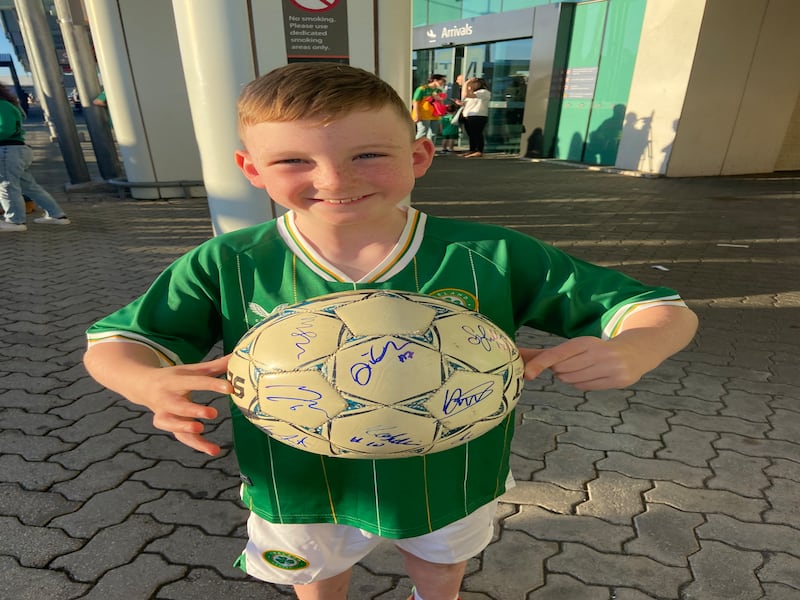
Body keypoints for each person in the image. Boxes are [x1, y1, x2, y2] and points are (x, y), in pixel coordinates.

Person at [83, 62, 698, 600]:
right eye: (294, 160)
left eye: (367, 155)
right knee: (316, 575)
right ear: (252, 170)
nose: (334, 180)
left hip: (453, 471)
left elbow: (662, 309)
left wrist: (637, 347)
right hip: (298, 481)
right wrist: (145, 382)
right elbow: (115, 344)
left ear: (419, 157)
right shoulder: (228, 262)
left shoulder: (490, 254)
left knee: (442, 562)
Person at [0, 83, 71, 232]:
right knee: (30, 186)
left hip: (7, 150)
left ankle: (15, 221)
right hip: (17, 150)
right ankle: (56, 215)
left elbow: (5, 129)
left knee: (7, 186)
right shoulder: (8, 104)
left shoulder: (2, 105)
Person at [411, 73, 447, 144]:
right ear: (435, 80)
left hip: (435, 115)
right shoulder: (422, 89)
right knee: (422, 132)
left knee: (433, 134)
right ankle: (415, 150)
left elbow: (441, 104)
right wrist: (417, 114)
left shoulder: (439, 91)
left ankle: (429, 151)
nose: (443, 83)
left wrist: (438, 99)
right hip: (424, 114)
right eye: (442, 80)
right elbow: (415, 102)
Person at [461, 77, 491, 158]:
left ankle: (479, 150)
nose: (470, 85)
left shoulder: (484, 92)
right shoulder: (474, 93)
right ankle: (472, 150)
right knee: (471, 134)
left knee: (477, 133)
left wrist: (466, 83)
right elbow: (466, 98)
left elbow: (466, 94)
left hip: (478, 115)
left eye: (472, 83)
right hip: (468, 115)